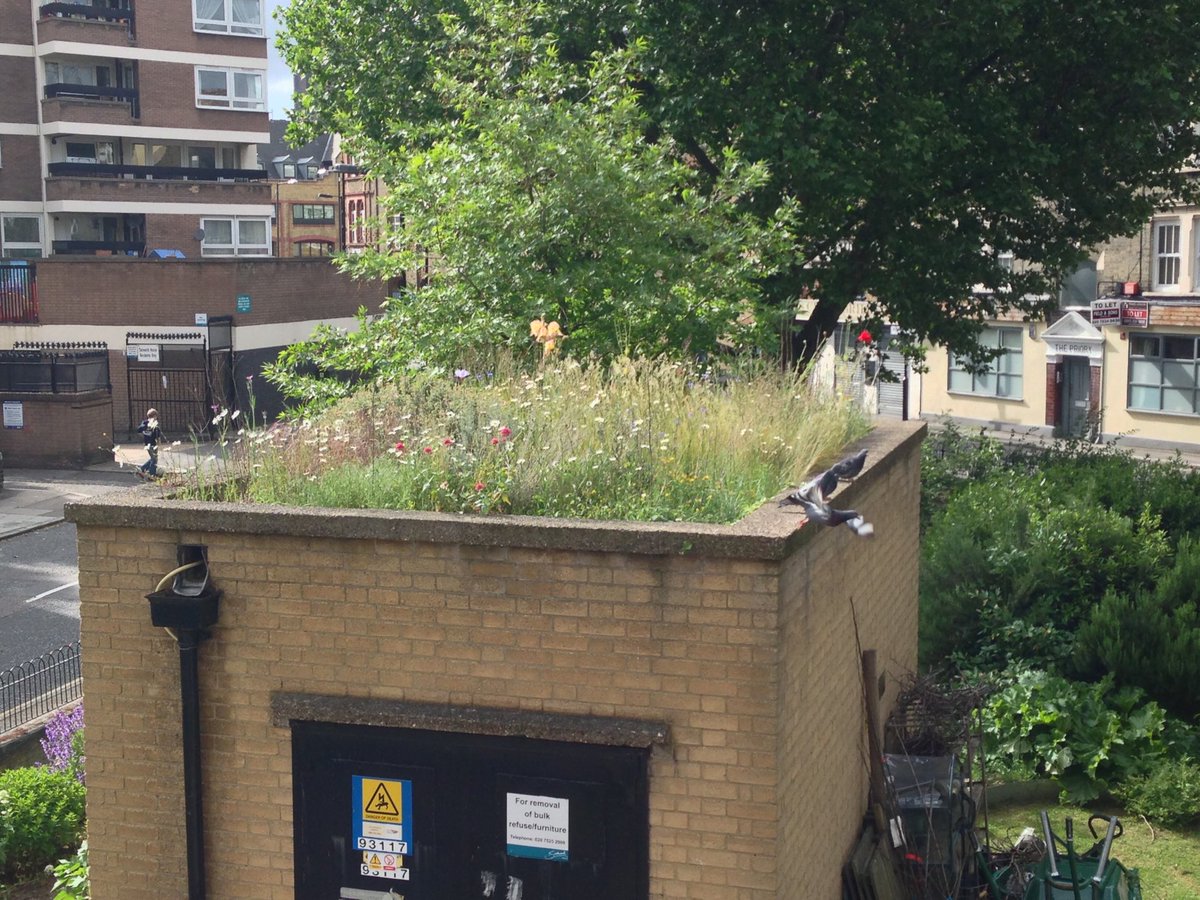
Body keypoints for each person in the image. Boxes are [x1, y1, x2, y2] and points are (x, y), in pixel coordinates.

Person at [137, 408, 163, 478]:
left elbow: (139, 430)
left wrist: (144, 436)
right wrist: (159, 442)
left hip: (147, 444)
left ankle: (142, 469)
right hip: (153, 443)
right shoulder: (155, 424)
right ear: (155, 416)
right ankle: (151, 474)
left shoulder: (144, 423)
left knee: (153, 458)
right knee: (154, 459)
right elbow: (157, 435)